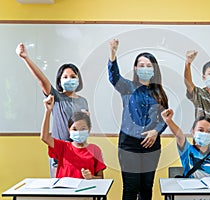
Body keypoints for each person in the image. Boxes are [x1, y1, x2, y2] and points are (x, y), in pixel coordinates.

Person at [107, 39, 169, 200]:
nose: (145, 68)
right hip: (129, 144)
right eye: (141, 65)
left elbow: (163, 119)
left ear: (154, 69)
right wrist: (113, 54)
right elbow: (114, 77)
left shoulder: (159, 92)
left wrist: (156, 131)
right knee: (130, 187)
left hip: (151, 145)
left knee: (146, 188)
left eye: (149, 66)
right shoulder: (127, 87)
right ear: (135, 68)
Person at [16, 43, 89, 176]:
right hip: (59, 152)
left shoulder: (83, 101)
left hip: (78, 152)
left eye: (73, 76)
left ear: (78, 80)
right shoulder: (56, 97)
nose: (69, 79)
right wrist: (26, 58)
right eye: (65, 77)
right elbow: (42, 80)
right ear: (59, 81)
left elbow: (85, 128)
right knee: (59, 191)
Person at [41, 95, 106, 179]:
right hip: (65, 191)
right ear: (69, 130)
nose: (78, 132)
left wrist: (91, 177)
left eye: (83, 129)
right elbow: (45, 137)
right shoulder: (63, 147)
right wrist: (48, 111)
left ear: (89, 129)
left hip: (86, 191)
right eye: (74, 129)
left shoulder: (95, 150)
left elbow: (101, 178)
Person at [161, 109, 210, 178]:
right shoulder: (187, 150)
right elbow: (179, 136)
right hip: (191, 187)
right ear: (193, 132)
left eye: (209, 131)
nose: (204, 133)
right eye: (201, 130)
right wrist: (168, 121)